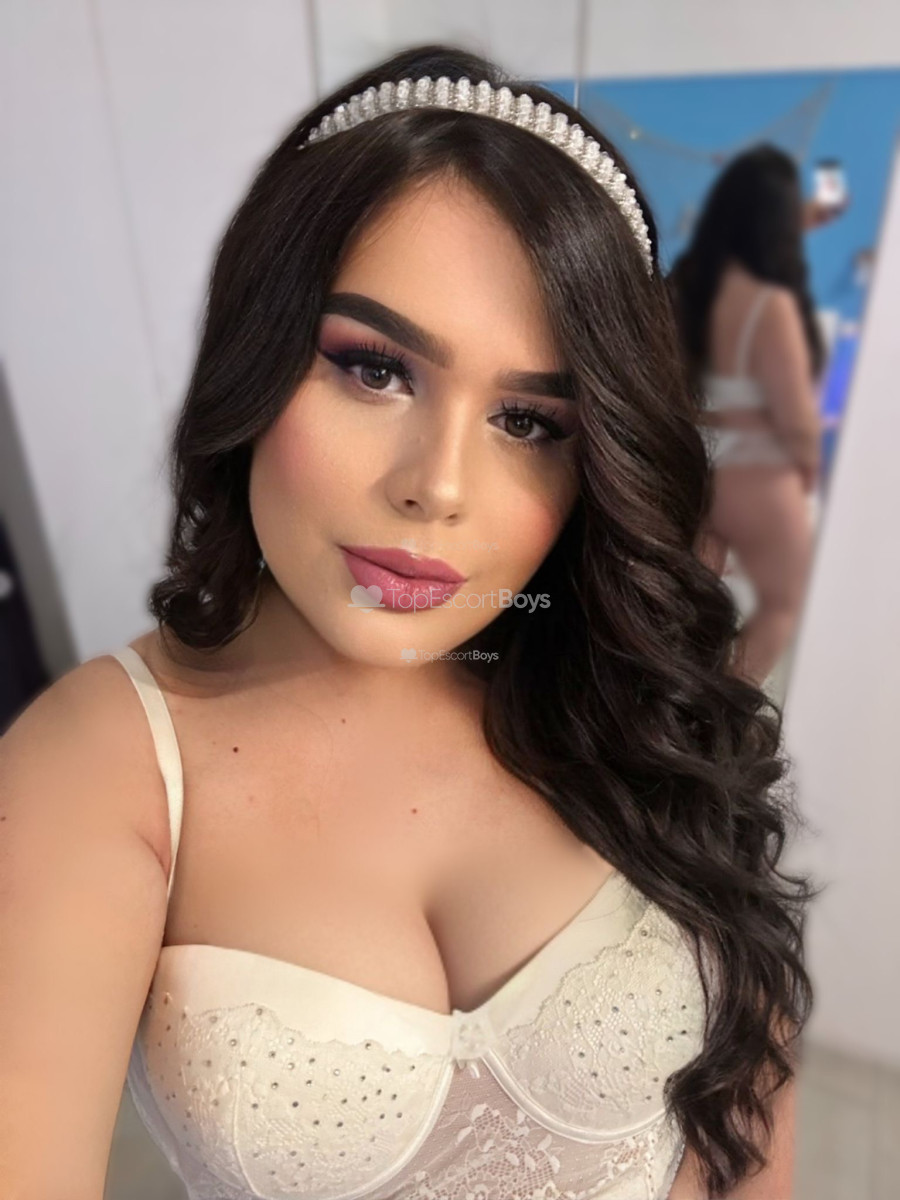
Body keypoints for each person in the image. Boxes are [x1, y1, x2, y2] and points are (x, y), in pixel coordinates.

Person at [0, 45, 817, 1200]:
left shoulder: (625, 693)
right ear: (257, 349)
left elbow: (747, 1113)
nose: (438, 486)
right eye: (375, 370)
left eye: (529, 423)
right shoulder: (102, 765)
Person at [668, 144, 836, 689]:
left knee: (692, 609)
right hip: (757, 464)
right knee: (785, 602)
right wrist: (808, 466)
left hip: (697, 461)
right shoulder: (769, 302)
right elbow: (795, 413)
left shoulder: (686, 285)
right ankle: (722, 711)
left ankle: (671, 702)